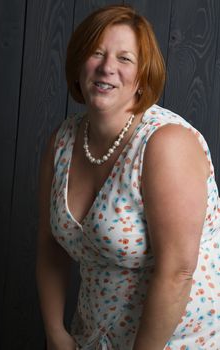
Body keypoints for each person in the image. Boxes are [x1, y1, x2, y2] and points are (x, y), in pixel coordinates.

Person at [36, 4, 220, 350]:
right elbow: (50, 247)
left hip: (178, 341)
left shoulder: (166, 144)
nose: (107, 67)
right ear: (79, 64)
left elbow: (177, 272)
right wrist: (55, 333)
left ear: (142, 77)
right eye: (96, 53)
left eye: (125, 59)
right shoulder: (63, 141)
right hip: (94, 335)